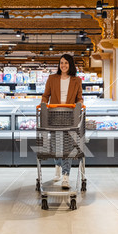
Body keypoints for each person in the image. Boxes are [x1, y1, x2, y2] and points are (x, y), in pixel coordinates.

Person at [41, 54, 83, 189]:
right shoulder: (52, 78)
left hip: (70, 116)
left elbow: (79, 98)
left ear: (70, 64)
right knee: (55, 145)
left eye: (66, 63)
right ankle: (58, 165)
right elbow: (46, 95)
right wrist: (43, 106)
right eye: (61, 63)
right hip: (54, 116)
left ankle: (66, 176)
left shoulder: (76, 80)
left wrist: (80, 105)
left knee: (68, 147)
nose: (63, 65)